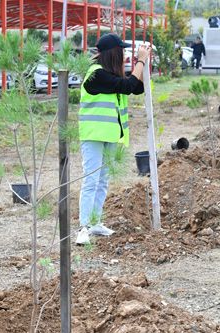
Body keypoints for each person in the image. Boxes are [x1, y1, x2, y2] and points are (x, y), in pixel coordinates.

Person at [76, 33, 151, 245]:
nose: (125, 56)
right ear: (113, 53)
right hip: (93, 136)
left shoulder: (109, 74)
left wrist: (142, 65)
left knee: (102, 181)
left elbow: (137, 87)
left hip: (110, 135)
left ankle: (95, 222)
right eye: (122, 52)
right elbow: (127, 86)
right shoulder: (96, 75)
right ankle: (83, 227)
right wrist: (140, 61)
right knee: (91, 180)